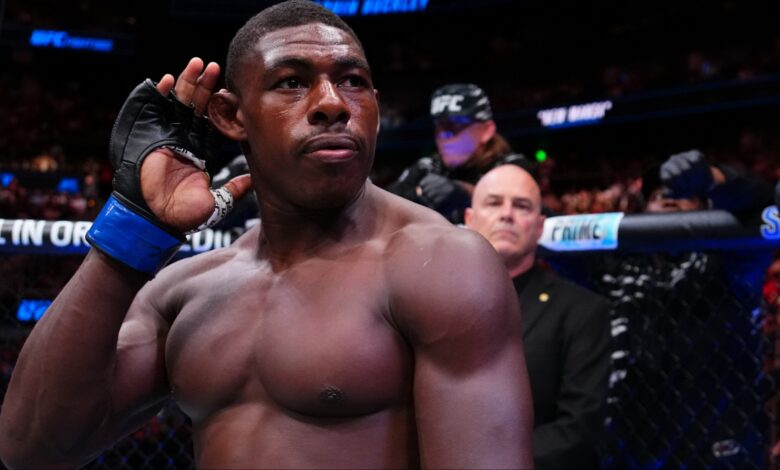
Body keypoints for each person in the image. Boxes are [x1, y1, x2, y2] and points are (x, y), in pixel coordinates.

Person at [0, 2, 534, 469]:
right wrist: (134, 228)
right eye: (291, 81)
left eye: (353, 80)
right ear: (232, 116)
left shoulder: (441, 264)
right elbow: (32, 446)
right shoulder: (188, 292)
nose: (332, 102)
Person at [587, 149, 776, 469]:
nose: (669, 198)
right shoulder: (615, 271)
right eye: (657, 195)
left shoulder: (727, 266)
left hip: (717, 445)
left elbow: (763, 204)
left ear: (706, 209)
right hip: (632, 442)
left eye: (684, 194)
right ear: (643, 210)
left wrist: (715, 179)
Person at [464, 163, 611, 469]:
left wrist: (489, 462)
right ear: (470, 219)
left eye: (521, 205)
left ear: (540, 225)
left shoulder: (582, 311)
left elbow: (578, 428)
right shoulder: (433, 301)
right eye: (494, 203)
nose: (507, 214)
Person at [386, 83, 532, 224]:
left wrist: (465, 193)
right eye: (439, 125)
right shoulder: (427, 167)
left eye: (456, 125)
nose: (444, 134)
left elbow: (525, 210)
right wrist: (418, 194)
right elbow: (383, 206)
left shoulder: (513, 167)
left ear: (486, 131)